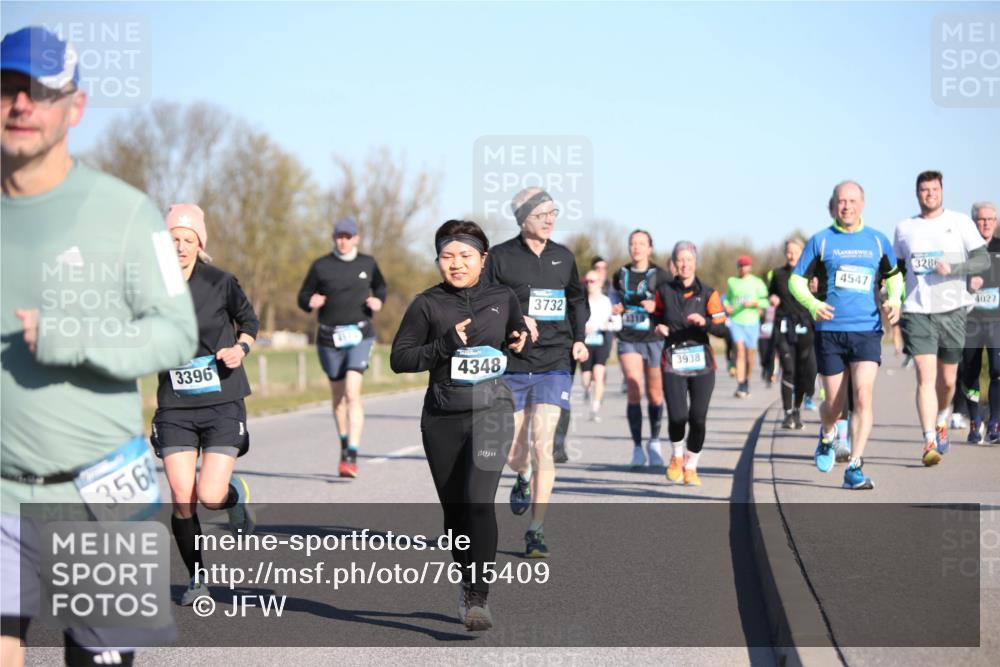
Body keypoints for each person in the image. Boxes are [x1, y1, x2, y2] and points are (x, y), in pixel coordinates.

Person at [1, 26, 197, 666]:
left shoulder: (125, 212)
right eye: (7, 89)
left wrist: (76, 338)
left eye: (41, 92)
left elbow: (176, 334)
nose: (21, 104)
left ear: (75, 107)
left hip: (98, 495)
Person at [391, 219, 529, 632]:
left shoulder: (503, 297)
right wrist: (445, 344)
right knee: (455, 516)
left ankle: (478, 597)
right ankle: (467, 582)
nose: (456, 263)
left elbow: (517, 336)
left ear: (483, 259)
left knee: (478, 501)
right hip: (442, 417)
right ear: (437, 261)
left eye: (465, 256)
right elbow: (400, 359)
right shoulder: (426, 305)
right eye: (447, 256)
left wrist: (522, 338)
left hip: (492, 411)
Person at [151, 204, 259, 606]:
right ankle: (198, 579)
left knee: (209, 495)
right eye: (172, 239)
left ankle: (233, 497)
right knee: (183, 497)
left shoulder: (220, 281)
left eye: (187, 239)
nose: (179, 246)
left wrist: (241, 348)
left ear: (200, 244)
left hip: (222, 399)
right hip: (175, 404)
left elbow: (249, 322)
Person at [483, 187, 588, 558]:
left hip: (554, 363)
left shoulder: (564, 257)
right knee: (515, 451)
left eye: (553, 212)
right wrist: (515, 317)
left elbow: (577, 300)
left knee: (543, 444)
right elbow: (484, 303)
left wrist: (578, 337)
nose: (550, 219)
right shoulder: (499, 258)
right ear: (522, 218)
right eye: (542, 213)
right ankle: (521, 476)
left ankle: (536, 530)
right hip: (513, 364)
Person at [790, 180, 903, 490]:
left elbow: (895, 279)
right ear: (834, 205)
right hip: (830, 332)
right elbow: (796, 281)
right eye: (842, 201)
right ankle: (827, 435)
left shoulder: (878, 241)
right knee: (835, 405)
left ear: (863, 205)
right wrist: (813, 304)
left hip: (866, 330)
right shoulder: (821, 241)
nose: (847, 206)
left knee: (864, 395)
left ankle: (855, 465)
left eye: (853, 201)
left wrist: (894, 301)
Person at [892, 171, 989, 465]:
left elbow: (982, 259)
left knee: (947, 381)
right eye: (924, 190)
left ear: (942, 191)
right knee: (925, 375)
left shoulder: (959, 222)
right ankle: (928, 441)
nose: (929, 194)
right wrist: (893, 302)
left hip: (953, 310)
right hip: (918, 311)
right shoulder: (904, 228)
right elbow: (896, 270)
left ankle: (943, 417)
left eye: (934, 189)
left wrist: (956, 268)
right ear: (917, 193)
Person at [298, 217, 387, 478]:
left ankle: (353, 453)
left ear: (357, 238)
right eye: (339, 236)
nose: (343, 240)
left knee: (351, 393)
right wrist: (310, 301)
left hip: (360, 335)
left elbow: (381, 287)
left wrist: (378, 300)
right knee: (338, 399)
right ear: (334, 237)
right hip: (329, 339)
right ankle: (344, 444)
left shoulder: (367, 263)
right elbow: (303, 296)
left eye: (348, 236)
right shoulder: (321, 266)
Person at [654, 242, 728, 487]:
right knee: (677, 417)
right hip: (673, 362)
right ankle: (676, 455)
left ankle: (692, 465)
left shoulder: (708, 293)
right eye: (680, 260)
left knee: (698, 418)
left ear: (695, 262)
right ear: (674, 263)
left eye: (689, 260)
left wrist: (704, 323)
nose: (684, 264)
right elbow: (654, 315)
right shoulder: (663, 291)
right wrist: (658, 325)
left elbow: (723, 329)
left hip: (702, 365)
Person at [612, 230, 671, 468]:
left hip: (654, 338)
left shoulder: (662, 275)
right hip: (629, 337)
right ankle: (637, 447)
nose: (636, 247)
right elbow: (612, 299)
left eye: (641, 243)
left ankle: (654, 443)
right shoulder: (620, 274)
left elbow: (671, 304)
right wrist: (615, 308)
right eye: (632, 243)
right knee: (635, 387)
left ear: (650, 248)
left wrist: (656, 305)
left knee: (655, 394)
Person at [958, 201, 1000, 443]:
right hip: (971, 320)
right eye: (981, 219)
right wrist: (966, 285)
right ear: (974, 222)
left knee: (997, 370)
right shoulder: (965, 251)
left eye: (990, 219)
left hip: (996, 321)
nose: (986, 223)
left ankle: (995, 422)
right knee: (970, 371)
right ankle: (975, 422)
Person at [769, 238, 818, 430]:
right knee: (788, 368)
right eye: (788, 252)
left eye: (795, 252)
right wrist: (772, 298)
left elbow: (820, 297)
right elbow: (771, 293)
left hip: (805, 326)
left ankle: (796, 409)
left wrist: (815, 291)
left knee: (803, 373)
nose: (791, 255)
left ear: (802, 253)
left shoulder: (810, 273)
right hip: (784, 326)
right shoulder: (778, 274)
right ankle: (787, 413)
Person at [724, 255, 769, 397]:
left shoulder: (757, 282)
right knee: (739, 350)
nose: (743, 268)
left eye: (746, 265)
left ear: (750, 267)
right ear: (738, 267)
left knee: (750, 355)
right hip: (736, 321)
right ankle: (740, 384)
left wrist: (755, 303)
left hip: (752, 322)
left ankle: (746, 382)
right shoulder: (732, 281)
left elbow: (766, 302)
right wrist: (727, 307)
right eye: (741, 265)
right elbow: (727, 299)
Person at [580, 269, 621, 422]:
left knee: (598, 373)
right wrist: (583, 328)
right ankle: (587, 390)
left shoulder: (606, 301)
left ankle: (595, 408)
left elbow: (616, 323)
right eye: (587, 281)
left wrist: (605, 325)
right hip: (585, 340)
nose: (589, 284)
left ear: (600, 283)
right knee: (585, 378)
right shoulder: (581, 301)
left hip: (602, 339)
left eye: (592, 281)